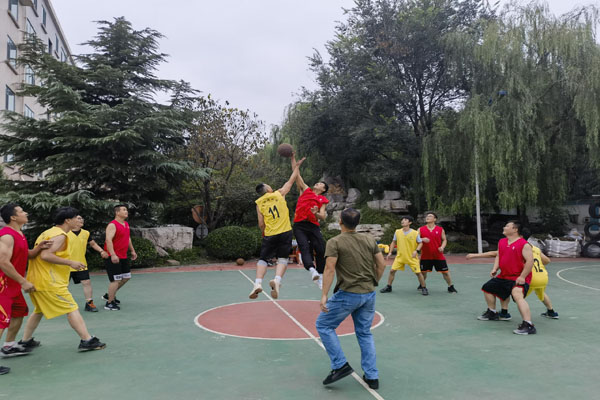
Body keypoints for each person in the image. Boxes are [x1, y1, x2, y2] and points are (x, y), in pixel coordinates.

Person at [316, 208, 386, 390]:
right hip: (369, 293)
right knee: (364, 333)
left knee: (323, 325)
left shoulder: (335, 242)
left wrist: (324, 295)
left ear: (340, 221)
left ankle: (340, 365)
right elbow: (381, 264)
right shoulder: (369, 239)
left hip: (349, 293)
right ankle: (372, 376)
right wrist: (374, 282)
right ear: (358, 222)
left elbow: (329, 269)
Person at [20, 207, 106, 351]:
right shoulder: (60, 235)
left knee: (39, 310)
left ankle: (25, 341)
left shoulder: (48, 232)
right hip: (50, 281)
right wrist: (70, 262)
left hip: (38, 279)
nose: (78, 220)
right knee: (71, 308)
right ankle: (87, 340)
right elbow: (46, 255)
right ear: (67, 220)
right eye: (76, 218)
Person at [0, 204, 52, 373]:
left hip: (13, 285)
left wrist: (38, 248)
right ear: (13, 217)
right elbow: (3, 262)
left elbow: (24, 254)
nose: (26, 213)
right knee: (1, 321)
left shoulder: (19, 233)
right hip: (3, 286)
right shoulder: (6, 236)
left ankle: (9, 346)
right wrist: (23, 281)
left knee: (19, 312)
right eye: (22, 211)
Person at [467, 231, 558, 320]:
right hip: (542, 277)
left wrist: (475, 256)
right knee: (540, 293)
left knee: (509, 292)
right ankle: (551, 312)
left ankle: (507, 314)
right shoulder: (535, 249)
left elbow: (495, 254)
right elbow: (547, 261)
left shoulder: (519, 247)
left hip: (529, 277)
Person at [250, 157, 305, 299]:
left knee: (263, 259)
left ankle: (257, 283)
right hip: (285, 232)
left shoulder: (259, 203)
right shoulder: (279, 193)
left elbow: (261, 223)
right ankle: (277, 280)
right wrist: (296, 166)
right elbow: (292, 180)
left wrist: (264, 233)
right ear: (268, 189)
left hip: (270, 234)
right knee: (283, 258)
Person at [478, 221, 536, 335]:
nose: (504, 227)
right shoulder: (502, 241)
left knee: (517, 295)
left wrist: (522, 277)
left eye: (507, 226)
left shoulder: (524, 244)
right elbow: (499, 255)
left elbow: (530, 262)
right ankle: (492, 312)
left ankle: (528, 325)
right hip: (504, 275)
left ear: (515, 229)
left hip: (518, 277)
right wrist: (495, 268)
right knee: (487, 288)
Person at [290, 153, 329, 289]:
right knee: (304, 248)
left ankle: (320, 276)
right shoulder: (306, 190)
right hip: (300, 225)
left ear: (323, 189)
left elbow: (322, 216)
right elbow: (296, 175)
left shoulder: (322, 200)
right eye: (317, 182)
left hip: (313, 225)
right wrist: (294, 161)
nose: (317, 183)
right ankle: (312, 270)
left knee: (320, 249)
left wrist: (315, 213)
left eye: (320, 184)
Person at [68, 215, 108, 312]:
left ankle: (89, 303)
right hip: (66, 264)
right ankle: (60, 304)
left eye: (82, 218)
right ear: (71, 220)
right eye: (79, 218)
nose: (81, 220)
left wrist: (101, 251)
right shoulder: (64, 232)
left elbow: (93, 244)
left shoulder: (86, 233)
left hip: (81, 264)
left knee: (86, 282)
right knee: (63, 286)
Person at [380, 216, 428, 295]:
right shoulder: (397, 232)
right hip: (400, 257)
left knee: (418, 273)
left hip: (412, 257)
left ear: (410, 223)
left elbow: (420, 243)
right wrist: (390, 252)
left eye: (405, 220)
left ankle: (424, 288)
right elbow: (393, 242)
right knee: (392, 271)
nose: (402, 221)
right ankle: (389, 286)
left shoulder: (415, 233)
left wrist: (416, 251)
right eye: (402, 220)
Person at [103, 205, 137, 311]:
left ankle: (109, 294)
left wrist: (132, 250)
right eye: (124, 210)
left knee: (126, 277)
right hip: (113, 256)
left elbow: (128, 238)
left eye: (126, 210)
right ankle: (109, 303)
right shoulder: (112, 225)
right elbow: (108, 240)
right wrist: (113, 254)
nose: (126, 211)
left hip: (123, 256)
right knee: (116, 280)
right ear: (117, 213)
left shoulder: (126, 224)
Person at [418, 212, 457, 293]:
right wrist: (422, 239)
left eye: (430, 216)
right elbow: (414, 239)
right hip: (425, 256)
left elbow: (444, 240)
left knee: (445, 272)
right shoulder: (420, 229)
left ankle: (450, 286)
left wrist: (442, 247)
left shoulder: (440, 229)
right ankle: (422, 285)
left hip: (438, 255)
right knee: (423, 273)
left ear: (435, 219)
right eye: (427, 216)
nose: (427, 217)